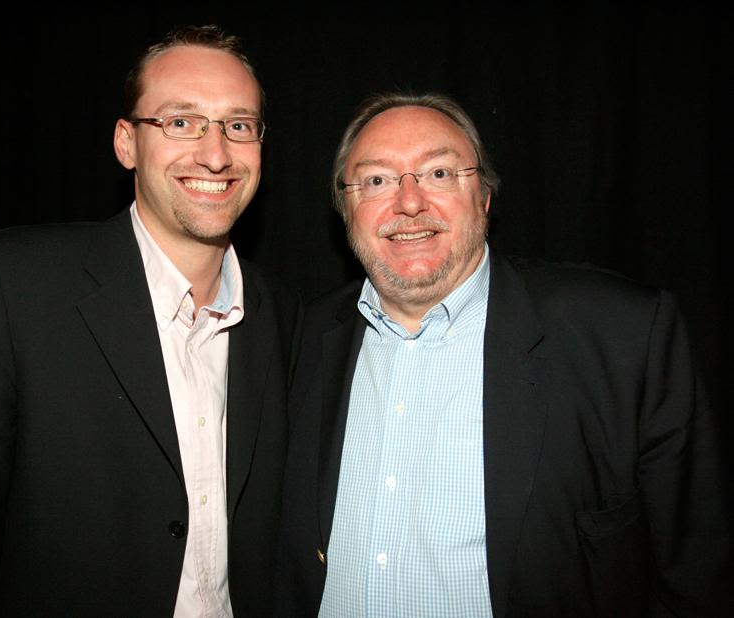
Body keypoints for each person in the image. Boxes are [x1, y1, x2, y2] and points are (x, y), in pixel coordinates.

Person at [0, 25, 300, 617]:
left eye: (237, 126)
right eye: (181, 121)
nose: (215, 153)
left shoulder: (283, 315)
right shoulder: (13, 285)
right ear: (126, 143)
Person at [275, 92, 731, 617]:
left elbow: (698, 574)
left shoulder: (622, 336)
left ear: (485, 196)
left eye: (440, 174)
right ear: (345, 209)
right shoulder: (296, 338)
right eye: (376, 180)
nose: (409, 202)